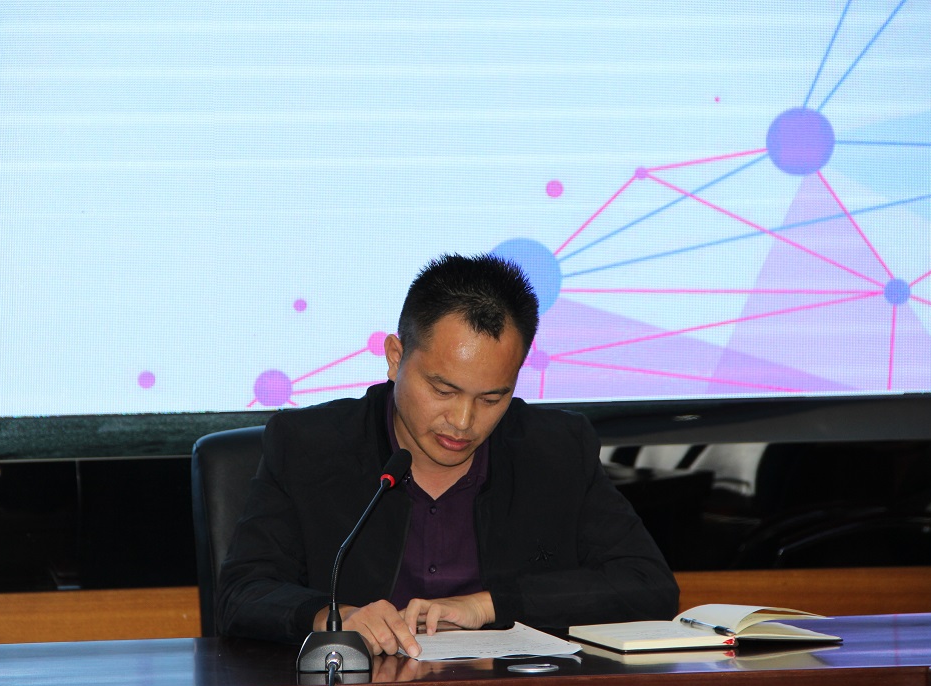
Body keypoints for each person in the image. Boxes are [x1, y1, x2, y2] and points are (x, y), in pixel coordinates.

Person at [216, 253, 678, 656]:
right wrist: (335, 616)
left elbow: (648, 585)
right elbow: (242, 594)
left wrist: (489, 605)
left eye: (492, 398)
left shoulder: (555, 449)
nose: (462, 421)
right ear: (395, 357)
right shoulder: (309, 444)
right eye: (443, 390)